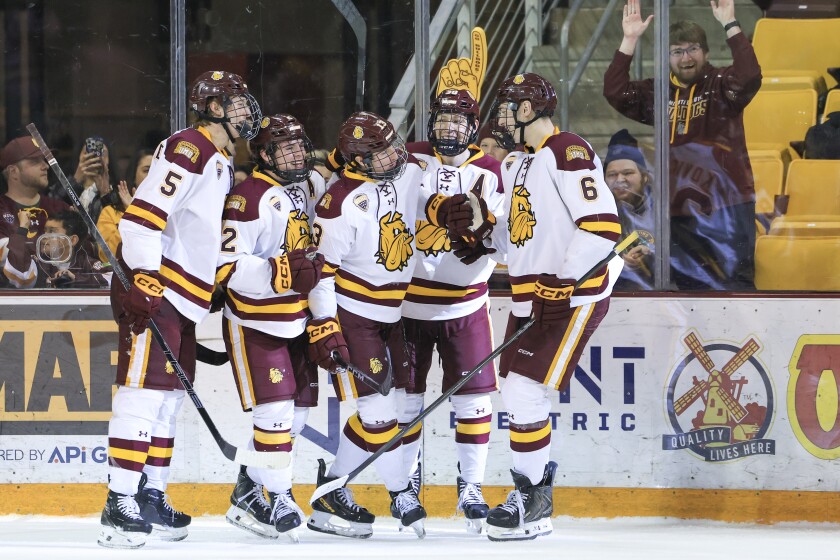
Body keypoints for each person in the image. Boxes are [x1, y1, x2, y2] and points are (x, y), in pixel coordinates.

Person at [98, 70, 262, 549]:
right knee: (142, 396)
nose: (245, 111)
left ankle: (151, 495)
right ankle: (119, 500)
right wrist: (146, 278)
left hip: (184, 297)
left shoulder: (221, 159)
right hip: (158, 289)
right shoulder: (189, 148)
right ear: (213, 108)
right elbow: (141, 220)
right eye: (235, 103)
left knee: (167, 401)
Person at [305, 111, 474, 539]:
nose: (394, 155)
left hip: (392, 316)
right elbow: (322, 275)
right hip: (354, 316)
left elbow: (421, 198)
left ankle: (330, 491)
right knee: (378, 413)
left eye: (393, 145)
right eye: (380, 153)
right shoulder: (337, 203)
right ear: (357, 160)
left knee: (394, 410)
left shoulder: (407, 169)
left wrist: (444, 209)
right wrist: (325, 324)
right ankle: (401, 493)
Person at [484, 72, 621, 541]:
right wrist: (479, 234)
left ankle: (533, 500)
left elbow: (601, 226)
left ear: (527, 110)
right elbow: (515, 238)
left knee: (525, 392)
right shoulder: (515, 163)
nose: (502, 120)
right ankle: (532, 494)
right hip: (534, 296)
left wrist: (564, 281)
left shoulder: (567, 150)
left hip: (572, 295)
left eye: (508, 109)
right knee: (516, 392)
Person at [217, 114, 325, 542]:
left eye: (300, 145)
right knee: (275, 415)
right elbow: (226, 267)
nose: (297, 154)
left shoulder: (308, 185)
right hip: (255, 321)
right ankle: (279, 495)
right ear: (263, 154)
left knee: (296, 416)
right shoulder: (247, 198)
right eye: (286, 148)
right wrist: (279, 273)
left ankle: (248, 487)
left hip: (298, 319)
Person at [603, 0, 761, 290]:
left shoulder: (721, 84)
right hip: (678, 209)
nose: (685, 57)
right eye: (677, 51)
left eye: (692, 49)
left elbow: (750, 76)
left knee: (736, 287)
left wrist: (729, 23)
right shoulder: (659, 92)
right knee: (689, 289)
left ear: (706, 53)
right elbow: (615, 91)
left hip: (729, 206)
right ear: (667, 57)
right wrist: (629, 39)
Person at [403, 88, 505, 533]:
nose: (448, 129)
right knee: (406, 401)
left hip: (465, 305)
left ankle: (472, 486)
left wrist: (485, 242)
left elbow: (504, 235)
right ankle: (406, 483)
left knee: (474, 401)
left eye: (457, 121)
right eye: (441, 120)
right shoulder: (407, 160)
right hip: (407, 305)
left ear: (474, 128)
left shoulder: (492, 171)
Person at [0, 136, 69, 289]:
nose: (45, 166)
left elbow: (82, 259)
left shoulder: (61, 209)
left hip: (63, 299)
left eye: (44, 160)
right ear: (13, 171)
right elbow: (9, 259)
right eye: (35, 161)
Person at [603, 129, 654, 291]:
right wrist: (618, 262)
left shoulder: (664, 209)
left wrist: (651, 254)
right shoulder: (599, 213)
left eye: (628, 173)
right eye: (612, 174)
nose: (620, 180)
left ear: (644, 177)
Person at [96, 148, 154, 262]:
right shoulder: (110, 213)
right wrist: (131, 215)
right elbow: (106, 256)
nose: (153, 175)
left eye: (157, 171)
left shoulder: (170, 211)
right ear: (134, 176)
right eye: (147, 170)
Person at [37, 211, 111, 288]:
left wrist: (75, 278)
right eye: (45, 231)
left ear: (72, 240)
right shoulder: (37, 263)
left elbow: (111, 278)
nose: (44, 236)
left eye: (52, 232)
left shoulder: (88, 263)